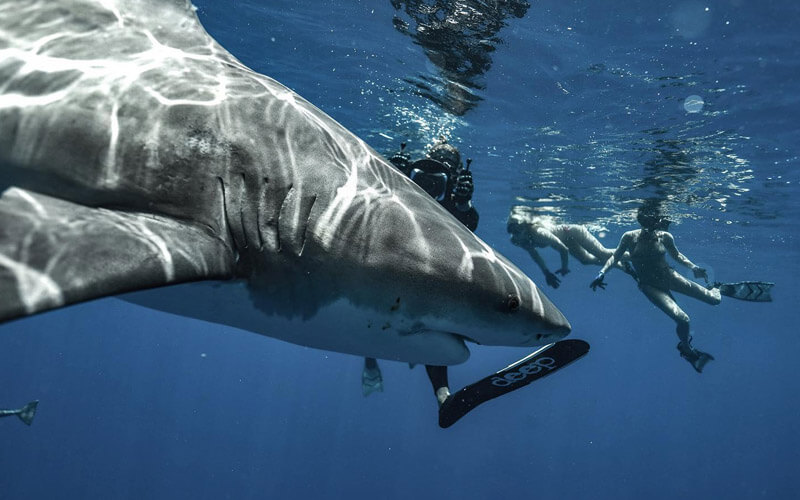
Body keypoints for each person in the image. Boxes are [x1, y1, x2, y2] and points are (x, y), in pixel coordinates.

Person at [360, 138, 478, 406]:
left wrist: (462, 205)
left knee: (436, 327)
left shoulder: (453, 196)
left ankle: (442, 394)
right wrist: (386, 176)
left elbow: (471, 230)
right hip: (392, 263)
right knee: (374, 309)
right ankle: (370, 365)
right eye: (434, 160)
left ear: (456, 173)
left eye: (447, 166)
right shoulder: (403, 182)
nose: (435, 173)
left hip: (431, 273)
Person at [589, 201, 721, 372]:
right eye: (648, 222)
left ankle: (718, 289)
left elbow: (677, 255)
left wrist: (693, 267)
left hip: (670, 277)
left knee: (714, 300)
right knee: (683, 319)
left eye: (655, 222)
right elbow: (615, 257)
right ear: (642, 221)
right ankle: (686, 349)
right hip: (650, 285)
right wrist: (602, 272)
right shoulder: (629, 237)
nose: (652, 226)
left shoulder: (665, 236)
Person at [507, 205, 634, 288]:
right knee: (586, 260)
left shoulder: (539, 233)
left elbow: (563, 249)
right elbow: (534, 255)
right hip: (567, 240)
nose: (515, 235)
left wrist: (564, 267)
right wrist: (546, 273)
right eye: (511, 231)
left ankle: (635, 256)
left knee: (602, 253)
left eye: (517, 230)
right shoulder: (518, 240)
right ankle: (621, 266)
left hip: (574, 232)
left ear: (525, 228)